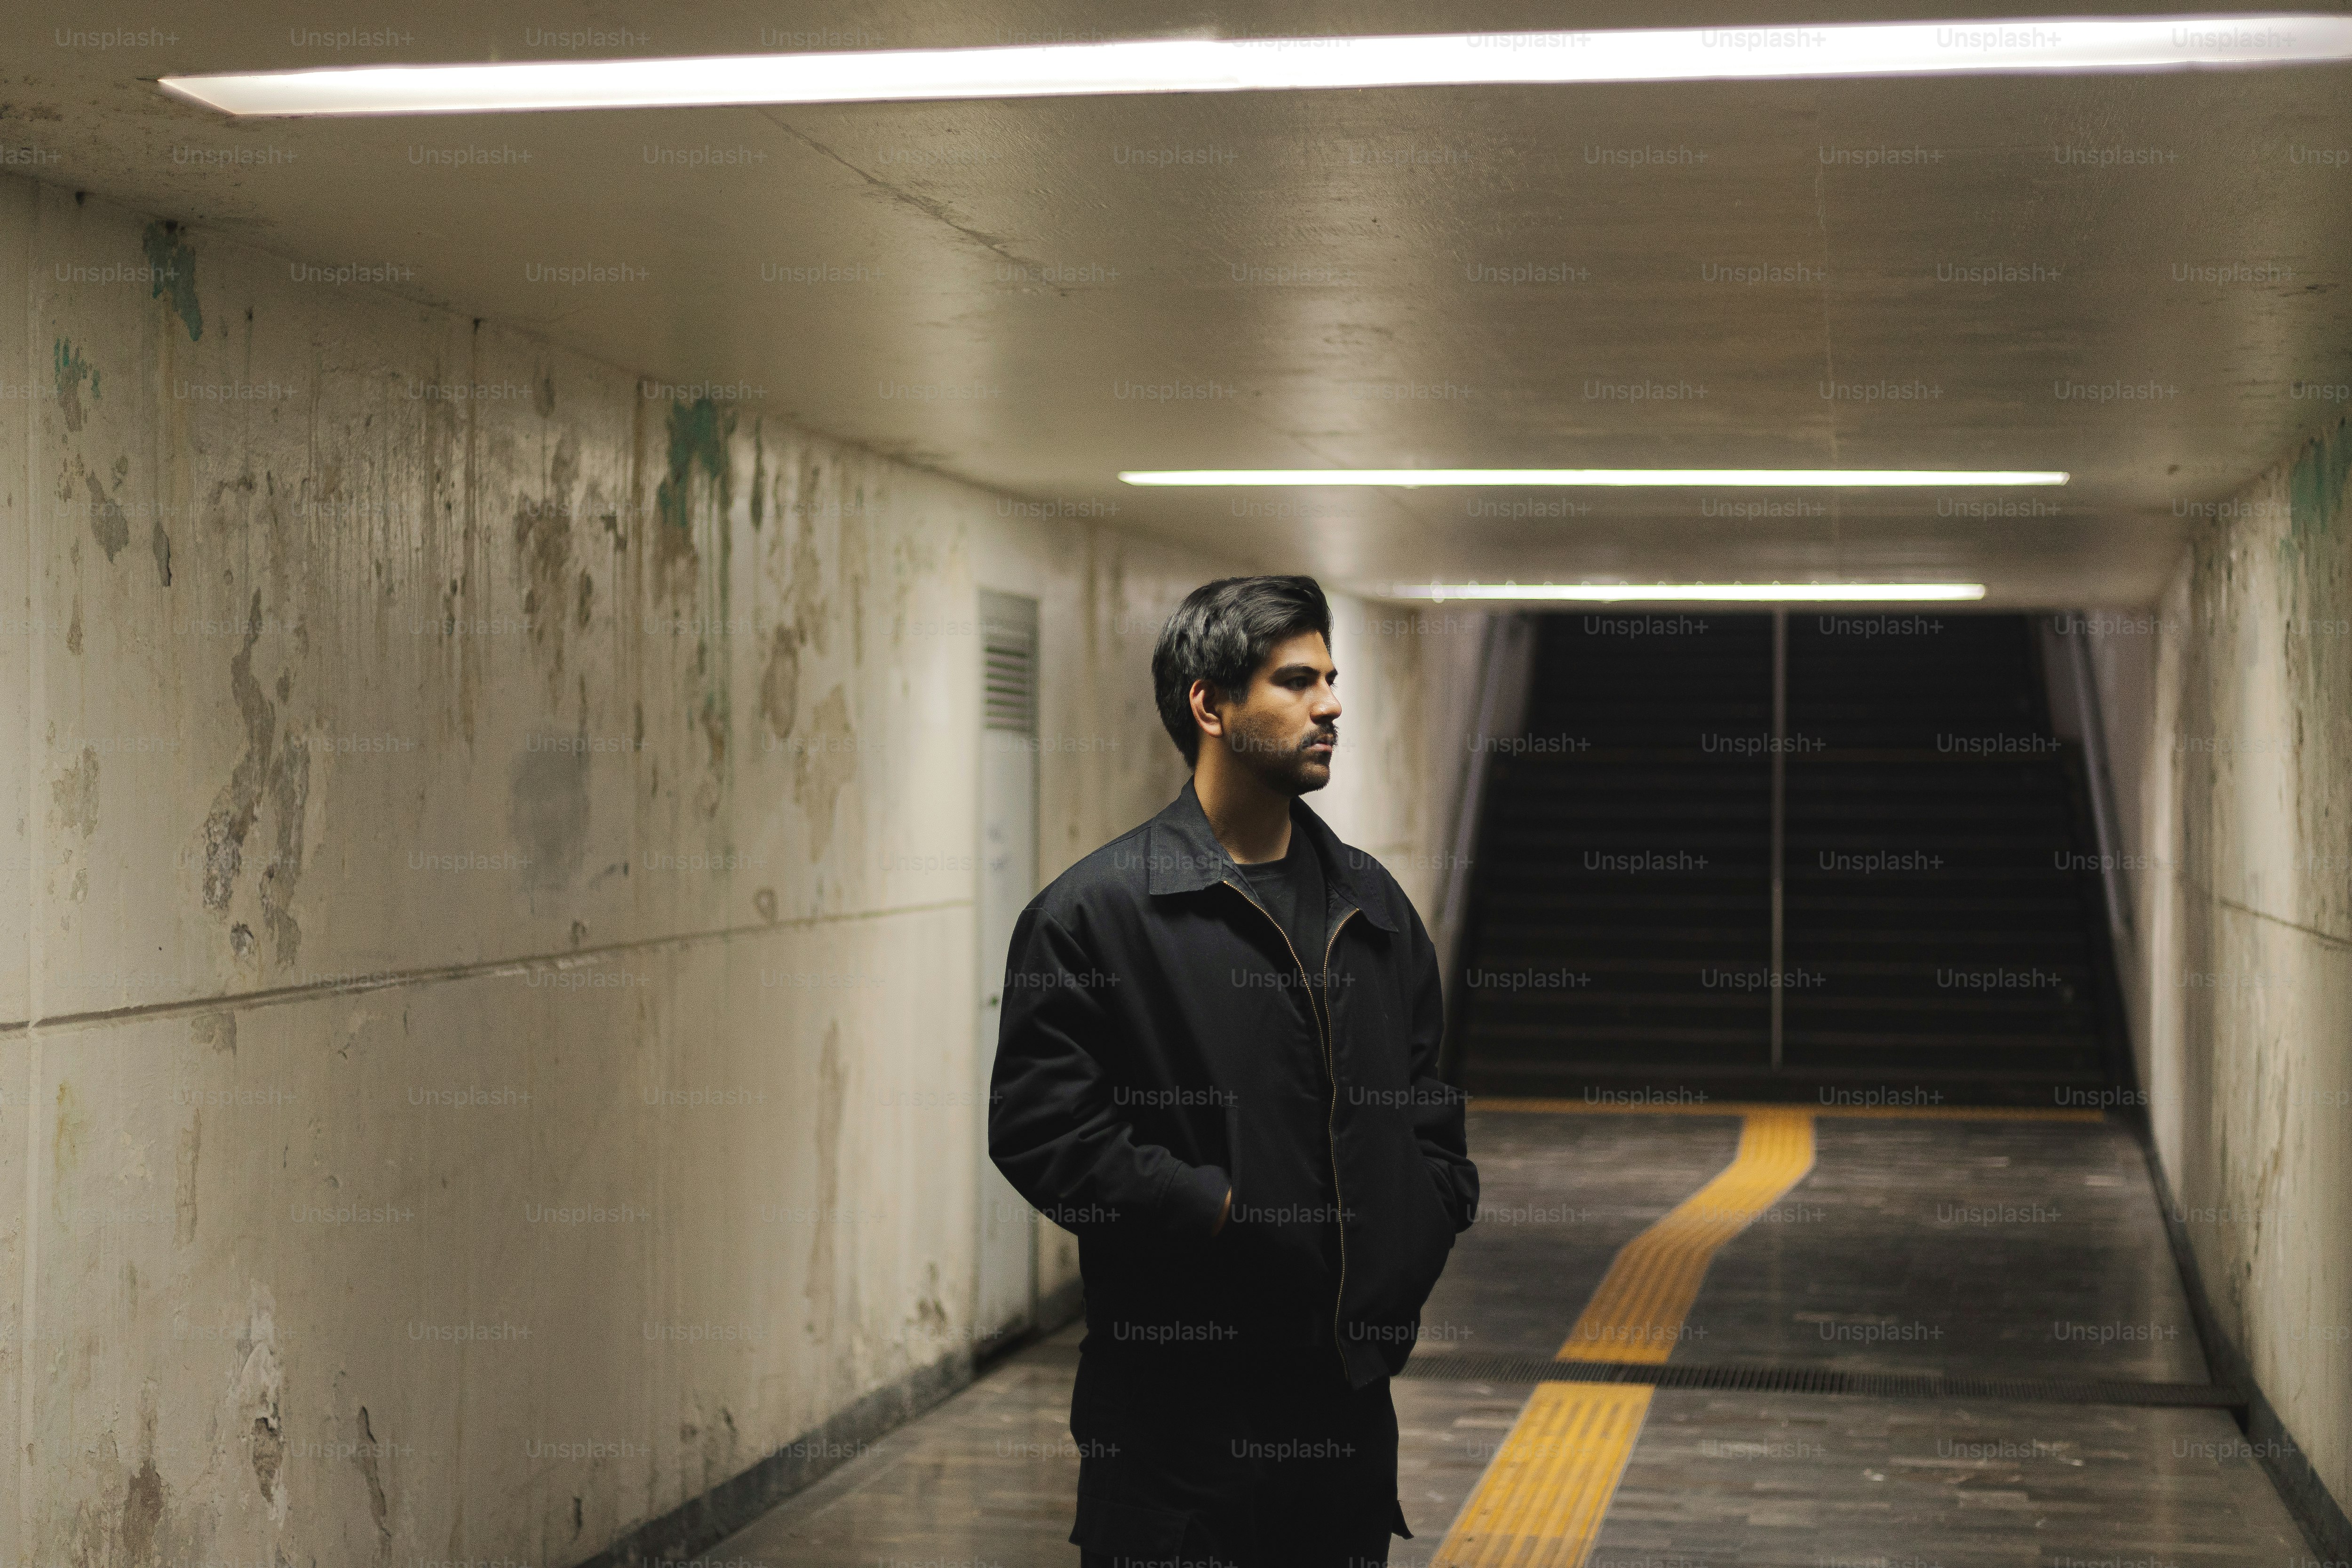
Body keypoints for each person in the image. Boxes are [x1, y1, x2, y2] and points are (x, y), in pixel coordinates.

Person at [989, 574, 1479, 1568]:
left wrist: (1425, 1213)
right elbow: (1044, 1133)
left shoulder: (1373, 907)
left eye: (1331, 679)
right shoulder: (1096, 915)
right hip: (1174, 1431)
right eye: (1296, 681)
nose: (1330, 705)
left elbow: (1426, 1106)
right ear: (1209, 704)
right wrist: (1216, 1211)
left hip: (1344, 1420)